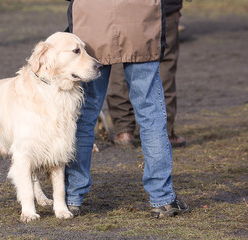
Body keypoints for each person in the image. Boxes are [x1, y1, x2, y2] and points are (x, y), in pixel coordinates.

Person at [64, 0, 189, 218]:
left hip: (92, 24)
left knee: (84, 117)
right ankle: (162, 198)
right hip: (141, 23)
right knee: (151, 114)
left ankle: (72, 197)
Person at [107, 0, 186, 148]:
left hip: (117, 9)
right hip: (163, 7)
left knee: (119, 58)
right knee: (164, 64)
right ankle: (165, 132)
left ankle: (124, 131)